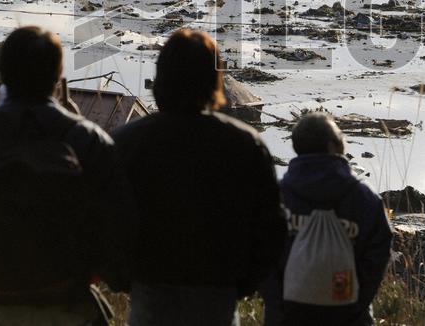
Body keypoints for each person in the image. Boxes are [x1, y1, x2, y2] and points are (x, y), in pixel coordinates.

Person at [0, 26, 133, 326]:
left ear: (3, 71)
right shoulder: (88, 140)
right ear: (58, 76)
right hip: (65, 303)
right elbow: (118, 228)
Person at [111, 28, 287, 326]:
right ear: (215, 81)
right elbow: (271, 230)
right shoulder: (245, 145)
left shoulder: (126, 142)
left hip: (150, 291)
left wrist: (123, 279)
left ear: (161, 78)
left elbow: (104, 219)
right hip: (216, 294)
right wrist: (242, 284)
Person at [263, 112, 392, 326]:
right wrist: (357, 303)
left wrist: (276, 300)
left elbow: (260, 251)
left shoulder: (276, 195)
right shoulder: (363, 197)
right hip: (348, 313)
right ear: (334, 146)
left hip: (287, 313)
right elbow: (378, 254)